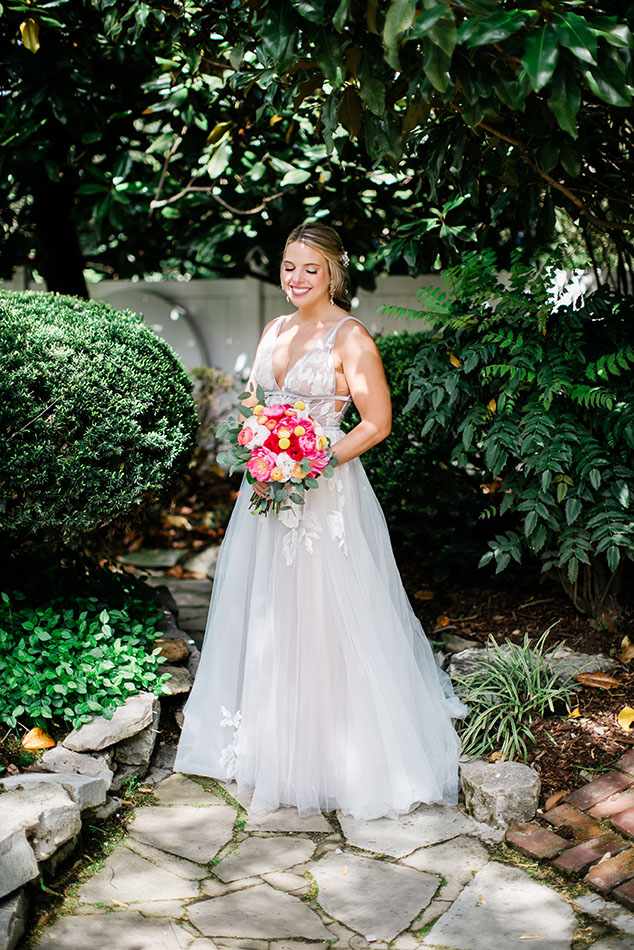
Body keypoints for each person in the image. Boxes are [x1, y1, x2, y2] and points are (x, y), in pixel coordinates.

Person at [174, 222, 466, 820]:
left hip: (325, 494)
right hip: (265, 493)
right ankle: (267, 740)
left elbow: (376, 422)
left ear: (334, 272)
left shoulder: (350, 337)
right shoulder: (274, 328)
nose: (298, 278)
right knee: (269, 611)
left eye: (311, 268)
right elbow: (258, 401)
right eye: (289, 266)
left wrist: (310, 458)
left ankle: (337, 749)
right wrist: (261, 440)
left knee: (328, 609)